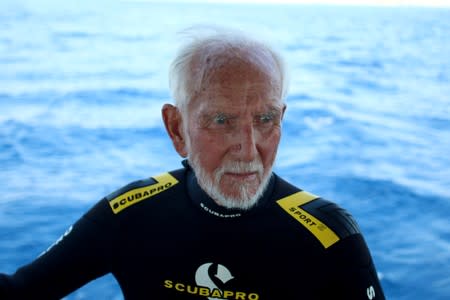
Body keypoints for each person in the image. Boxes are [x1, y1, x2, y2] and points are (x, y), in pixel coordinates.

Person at [0, 27, 385, 300]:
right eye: (221, 120)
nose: (248, 150)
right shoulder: (130, 215)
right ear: (176, 128)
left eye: (265, 119)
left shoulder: (330, 236)